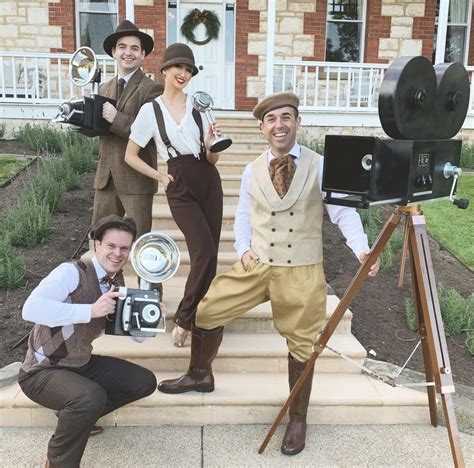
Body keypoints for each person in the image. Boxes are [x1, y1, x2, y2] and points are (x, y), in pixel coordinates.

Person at [157, 92, 380, 456]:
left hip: (301, 269)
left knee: (301, 343)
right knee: (209, 309)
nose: (280, 125)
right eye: (272, 119)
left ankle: (298, 417)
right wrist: (243, 248)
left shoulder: (321, 165)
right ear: (262, 127)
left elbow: (343, 212)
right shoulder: (252, 169)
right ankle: (199, 374)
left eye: (286, 117)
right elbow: (244, 215)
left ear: (298, 122)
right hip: (257, 265)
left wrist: (361, 249)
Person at [19, 215, 157, 468]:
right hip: (41, 371)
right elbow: (30, 309)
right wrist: (90, 311)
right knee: (90, 397)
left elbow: (135, 335)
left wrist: (150, 321)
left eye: (124, 248)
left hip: (79, 365)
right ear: (97, 245)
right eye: (111, 246)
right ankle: (58, 461)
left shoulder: (115, 284)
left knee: (143, 381)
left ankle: (77, 419)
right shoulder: (71, 272)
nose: (118, 253)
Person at [125, 43, 223, 348]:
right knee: (203, 251)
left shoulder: (200, 106)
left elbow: (212, 159)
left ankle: (191, 317)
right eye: (178, 67)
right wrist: (160, 176)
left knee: (209, 256)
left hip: (208, 179)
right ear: (165, 69)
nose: (183, 73)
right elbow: (130, 155)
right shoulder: (150, 111)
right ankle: (184, 318)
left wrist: (211, 144)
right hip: (179, 184)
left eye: (188, 69)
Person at [92, 20, 164, 238]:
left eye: (134, 48)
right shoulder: (103, 88)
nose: (128, 53)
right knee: (101, 237)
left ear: (143, 54)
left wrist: (117, 118)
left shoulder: (152, 89)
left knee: (139, 241)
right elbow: (100, 130)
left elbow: (152, 134)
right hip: (106, 178)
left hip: (136, 179)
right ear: (114, 52)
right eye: (122, 47)